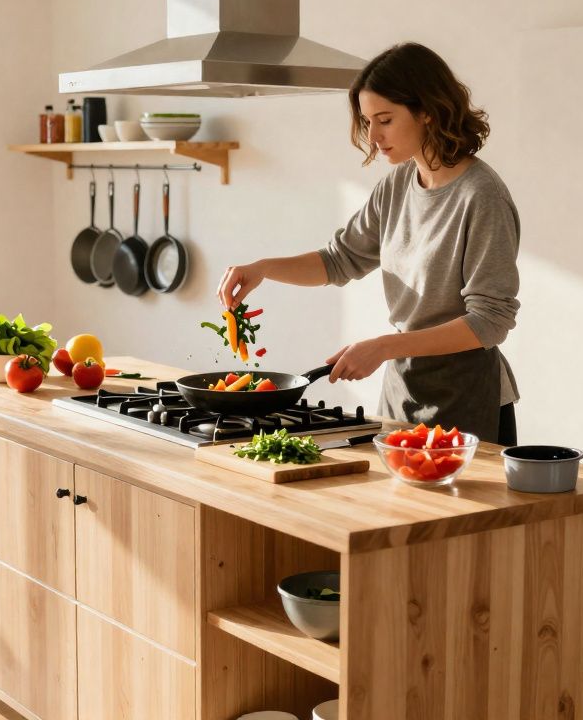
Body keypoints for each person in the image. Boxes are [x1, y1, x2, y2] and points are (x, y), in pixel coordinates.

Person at [216, 42, 520, 445]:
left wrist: (382, 347)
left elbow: (490, 320)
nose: (373, 136)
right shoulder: (397, 185)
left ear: (428, 111)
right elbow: (339, 260)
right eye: (367, 121)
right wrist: (263, 268)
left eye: (385, 120)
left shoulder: (481, 195)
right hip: (402, 397)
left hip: (469, 400)